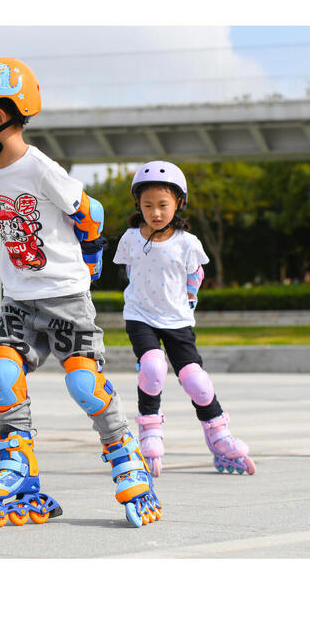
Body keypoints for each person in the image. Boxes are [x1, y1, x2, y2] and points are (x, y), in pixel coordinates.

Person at [0, 56, 161, 529]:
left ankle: (126, 454)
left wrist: (91, 259)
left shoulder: (39, 167)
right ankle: (18, 465)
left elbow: (93, 213)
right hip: (20, 302)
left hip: (64, 297)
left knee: (83, 383)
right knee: (0, 372)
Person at [112, 160, 256, 476]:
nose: (156, 212)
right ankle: (149, 431)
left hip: (177, 320)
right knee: (152, 367)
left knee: (197, 382)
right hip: (140, 316)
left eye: (163, 205)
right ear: (138, 204)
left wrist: (188, 302)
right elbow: (130, 271)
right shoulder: (130, 238)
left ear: (178, 203)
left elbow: (196, 275)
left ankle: (219, 437)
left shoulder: (188, 243)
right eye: (147, 205)